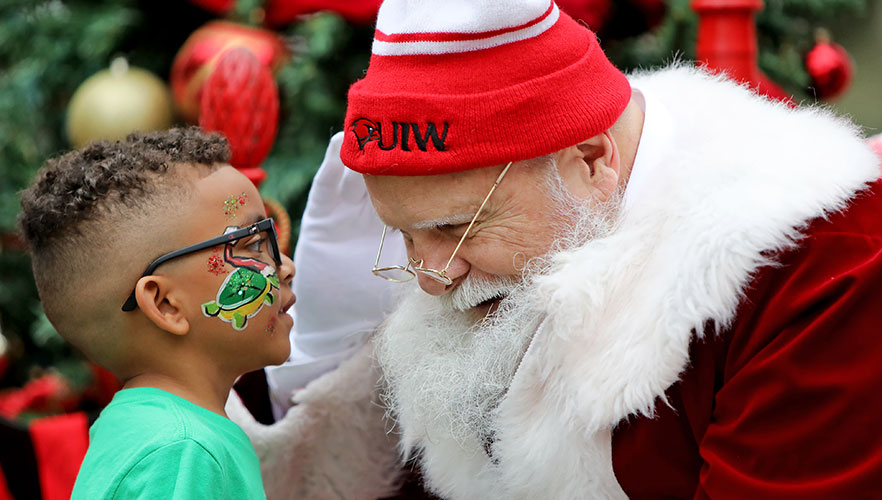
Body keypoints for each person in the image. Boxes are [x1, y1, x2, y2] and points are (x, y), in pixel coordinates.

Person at [333, 0, 882, 498]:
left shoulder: (812, 263)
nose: (432, 276)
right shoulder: (535, 239)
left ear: (592, 159)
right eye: (404, 234)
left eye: (458, 229)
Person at [18, 128, 296, 499]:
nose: (286, 266)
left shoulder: (148, 430)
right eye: (253, 244)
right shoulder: (181, 449)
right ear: (165, 304)